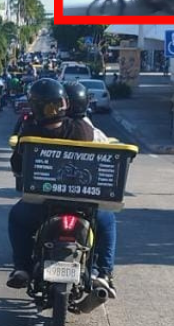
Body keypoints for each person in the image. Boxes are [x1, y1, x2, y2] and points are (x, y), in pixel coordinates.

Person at [7, 79, 118, 297]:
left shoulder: (30, 132)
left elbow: (17, 166)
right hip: (84, 205)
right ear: (64, 104)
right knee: (107, 221)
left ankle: (22, 268)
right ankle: (104, 273)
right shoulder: (83, 129)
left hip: (43, 204)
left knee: (17, 218)